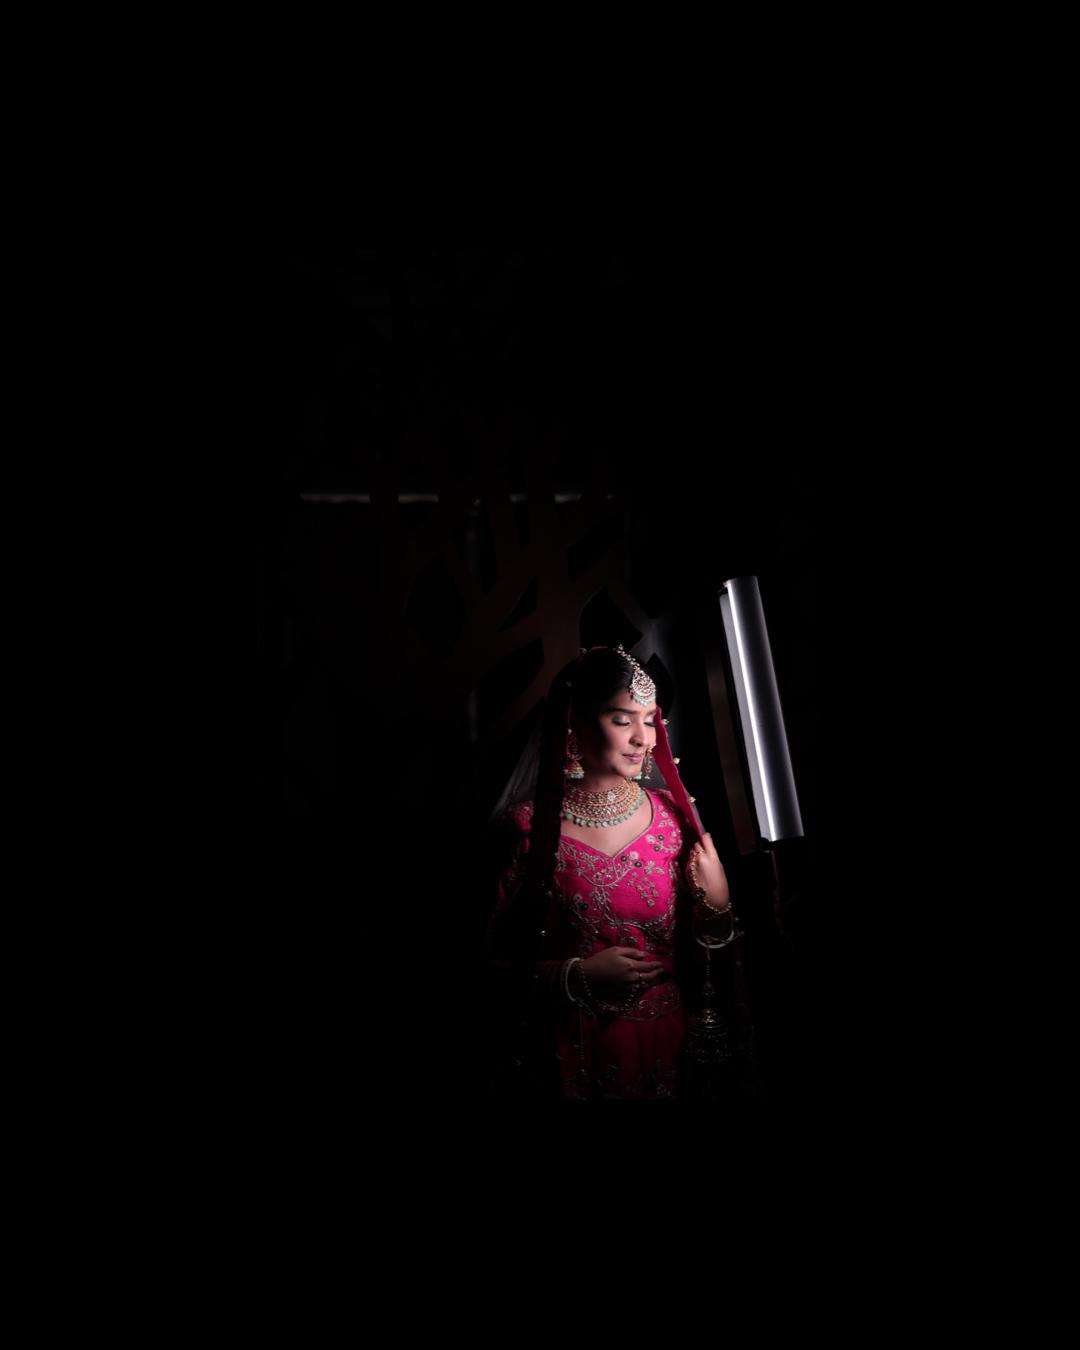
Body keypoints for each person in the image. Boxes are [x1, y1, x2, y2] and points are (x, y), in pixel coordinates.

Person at [484, 644, 732, 1103]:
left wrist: (717, 903)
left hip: (668, 1049)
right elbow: (480, 968)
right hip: (566, 1056)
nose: (643, 738)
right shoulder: (528, 829)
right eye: (622, 720)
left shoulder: (673, 819)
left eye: (650, 720)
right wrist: (574, 975)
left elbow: (711, 961)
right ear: (575, 723)